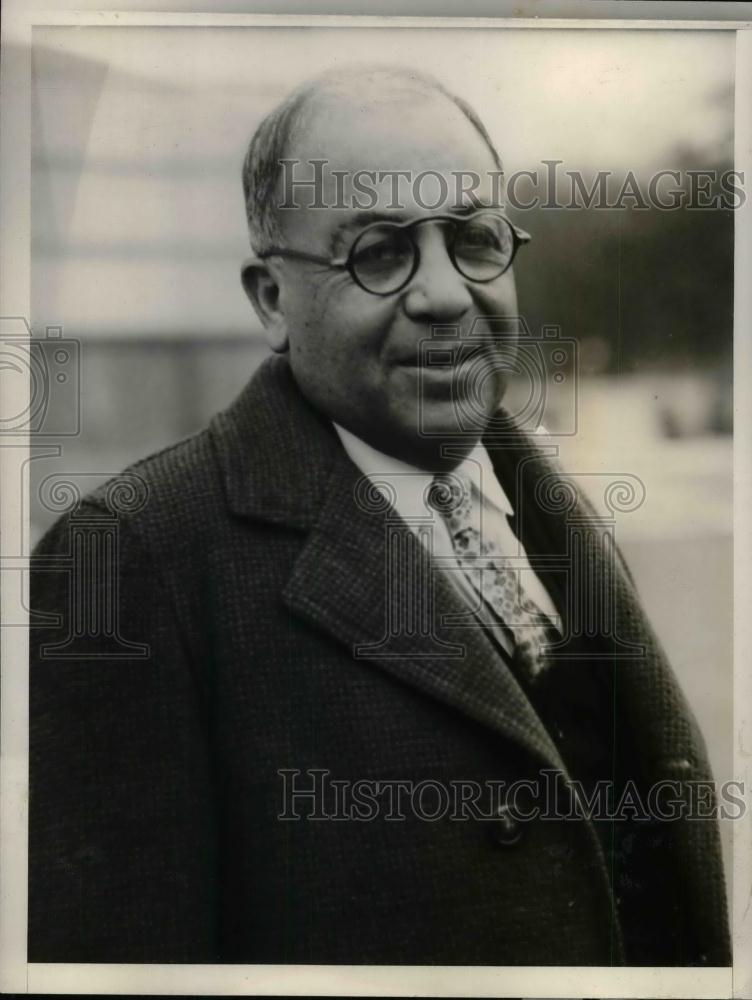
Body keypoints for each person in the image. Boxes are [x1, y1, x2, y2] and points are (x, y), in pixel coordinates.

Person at [29, 66, 730, 967]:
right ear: (273, 301)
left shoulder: (548, 501)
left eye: (474, 239)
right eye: (381, 252)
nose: (445, 294)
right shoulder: (130, 558)